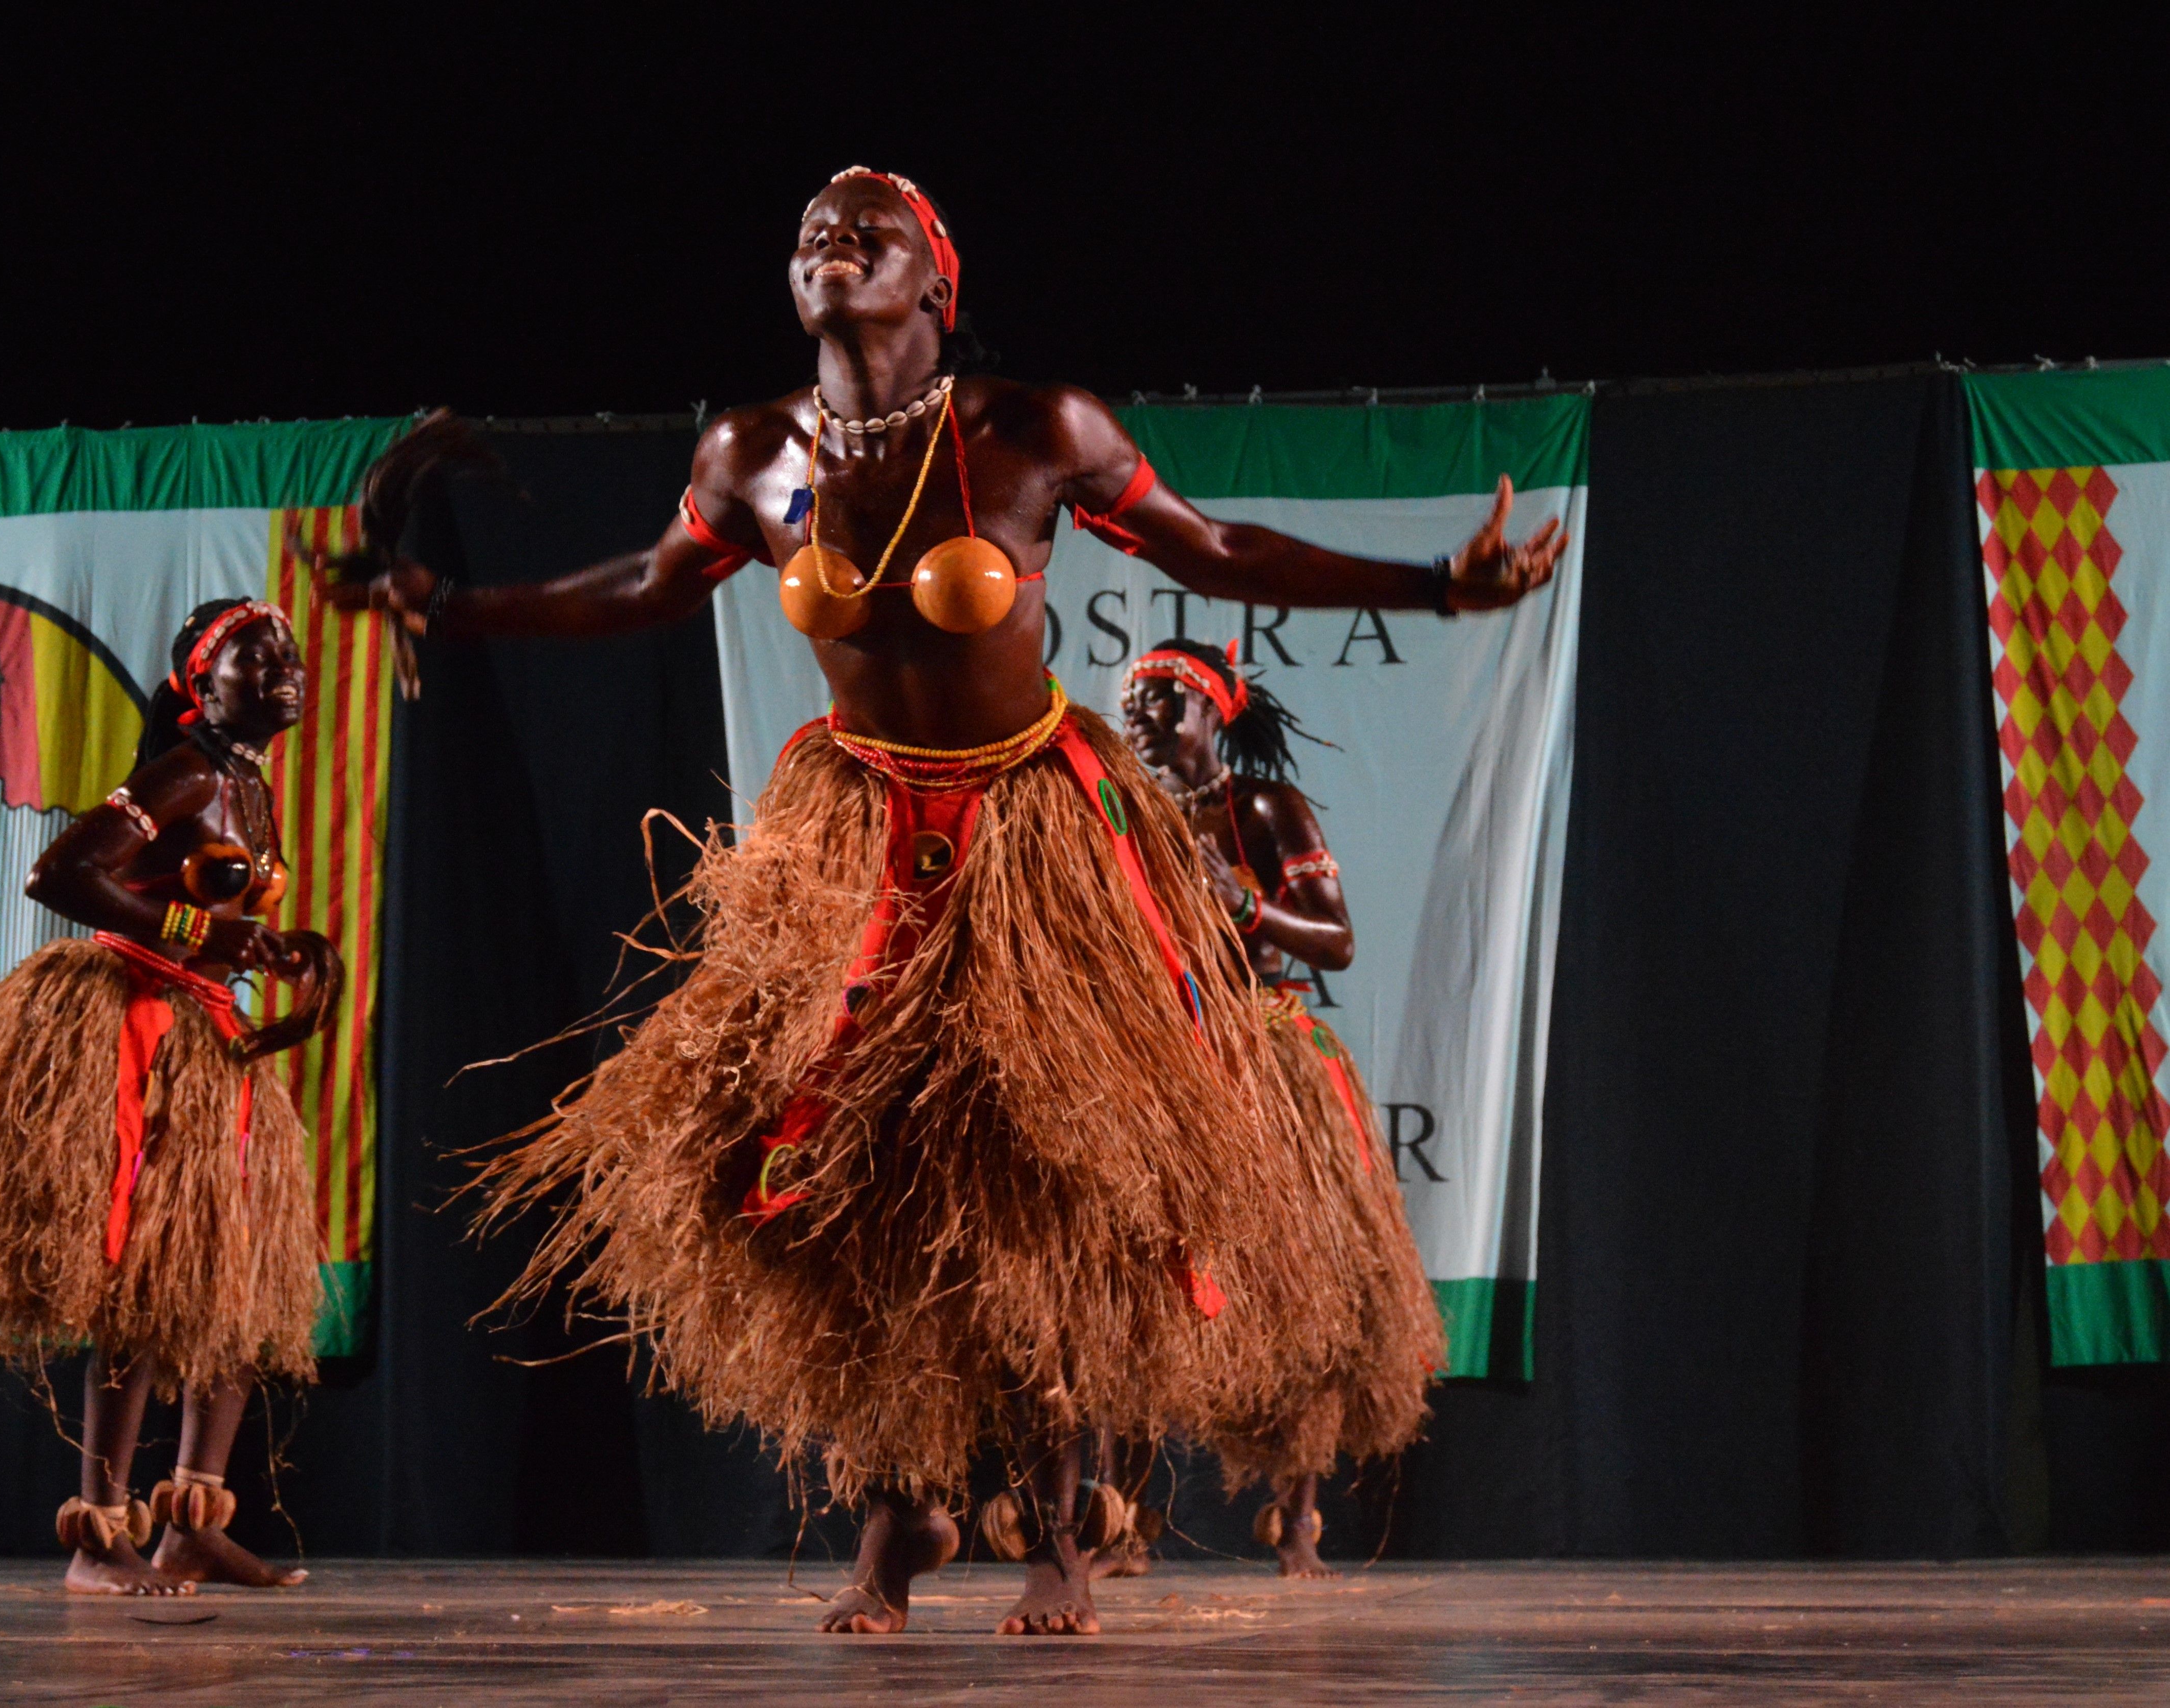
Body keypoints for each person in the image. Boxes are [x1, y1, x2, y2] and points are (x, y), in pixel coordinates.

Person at [334, 166, 1561, 1635]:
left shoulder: (1029, 432)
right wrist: (459, 611)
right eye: (810, 235)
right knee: (844, 1178)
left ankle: (1060, 1534)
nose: (831, 246)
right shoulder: (764, 452)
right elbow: (655, 583)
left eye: (873, 233)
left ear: (938, 286)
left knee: (1045, 1177)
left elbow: (1214, 550)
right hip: (853, 836)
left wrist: (1439, 588)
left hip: (1026, 834)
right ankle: (894, 1507)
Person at [0, 599, 338, 1596]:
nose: (287, 671)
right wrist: (208, 938)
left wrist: (277, 951)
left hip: (206, 1038)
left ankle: (193, 1521)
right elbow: (61, 874)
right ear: (202, 686)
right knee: (142, 1289)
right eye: (261, 659)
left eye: (292, 656)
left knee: (228, 1285)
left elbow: (222, 919)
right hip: (132, 1024)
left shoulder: (246, 786)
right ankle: (97, 1535)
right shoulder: (188, 774)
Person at [1120, 639, 1443, 1578]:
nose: (1141, 715)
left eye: (1163, 698)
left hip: (1267, 1050)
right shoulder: (1132, 817)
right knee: (1143, 1282)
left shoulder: (1263, 807)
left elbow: (1336, 941)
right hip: (1172, 1060)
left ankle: (1299, 1521)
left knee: (1303, 1282)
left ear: (1214, 709)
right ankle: (1121, 1522)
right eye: (1132, 700)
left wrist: (1246, 911)